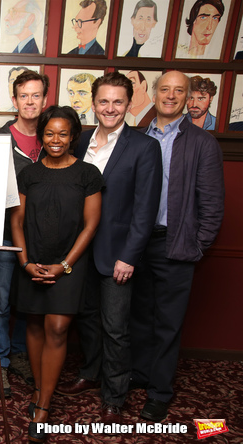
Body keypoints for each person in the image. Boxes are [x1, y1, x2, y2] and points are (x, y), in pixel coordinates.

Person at [56, 73, 162, 423]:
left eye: (118, 102)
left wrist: (129, 256)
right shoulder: (81, 141)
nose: (110, 108)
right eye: (104, 101)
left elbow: (145, 209)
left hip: (117, 255)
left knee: (115, 326)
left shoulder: (145, 147)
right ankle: (91, 373)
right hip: (79, 251)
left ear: (128, 104)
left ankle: (115, 393)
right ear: (94, 104)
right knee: (86, 319)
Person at [131, 71, 224, 422]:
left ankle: (159, 392)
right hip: (140, 243)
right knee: (138, 316)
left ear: (189, 97)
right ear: (154, 94)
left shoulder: (202, 142)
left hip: (176, 243)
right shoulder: (138, 137)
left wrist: (196, 246)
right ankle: (139, 375)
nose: (171, 96)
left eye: (179, 91)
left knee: (167, 323)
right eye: (165, 89)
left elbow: (213, 205)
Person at [11, 105, 103, 442]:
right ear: (41, 136)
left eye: (63, 133)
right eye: (49, 133)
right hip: (32, 261)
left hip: (70, 265)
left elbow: (91, 225)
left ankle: (45, 404)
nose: (55, 139)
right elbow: (16, 222)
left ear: (74, 136)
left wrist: (65, 265)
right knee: (34, 324)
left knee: (58, 327)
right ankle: (39, 388)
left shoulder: (88, 174)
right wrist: (25, 262)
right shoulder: (29, 174)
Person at [0, 70, 49, 398]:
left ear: (44, 100)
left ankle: (19, 356)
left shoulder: (54, 136)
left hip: (40, 237)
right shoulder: (0, 140)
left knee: (30, 302)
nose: (30, 101)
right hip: (2, 234)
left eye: (36, 95)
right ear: (14, 101)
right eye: (24, 96)